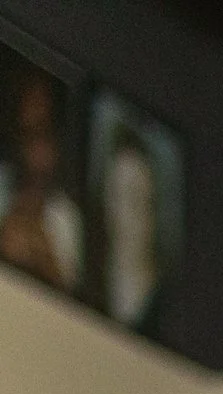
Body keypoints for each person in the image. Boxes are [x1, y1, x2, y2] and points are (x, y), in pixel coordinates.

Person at [0, 67, 81, 294]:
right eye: (26, 133)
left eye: (40, 134)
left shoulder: (66, 217)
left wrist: (41, 251)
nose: (33, 149)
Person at [94, 118, 161, 332]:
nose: (130, 214)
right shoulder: (93, 285)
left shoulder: (165, 304)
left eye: (139, 198)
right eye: (119, 196)